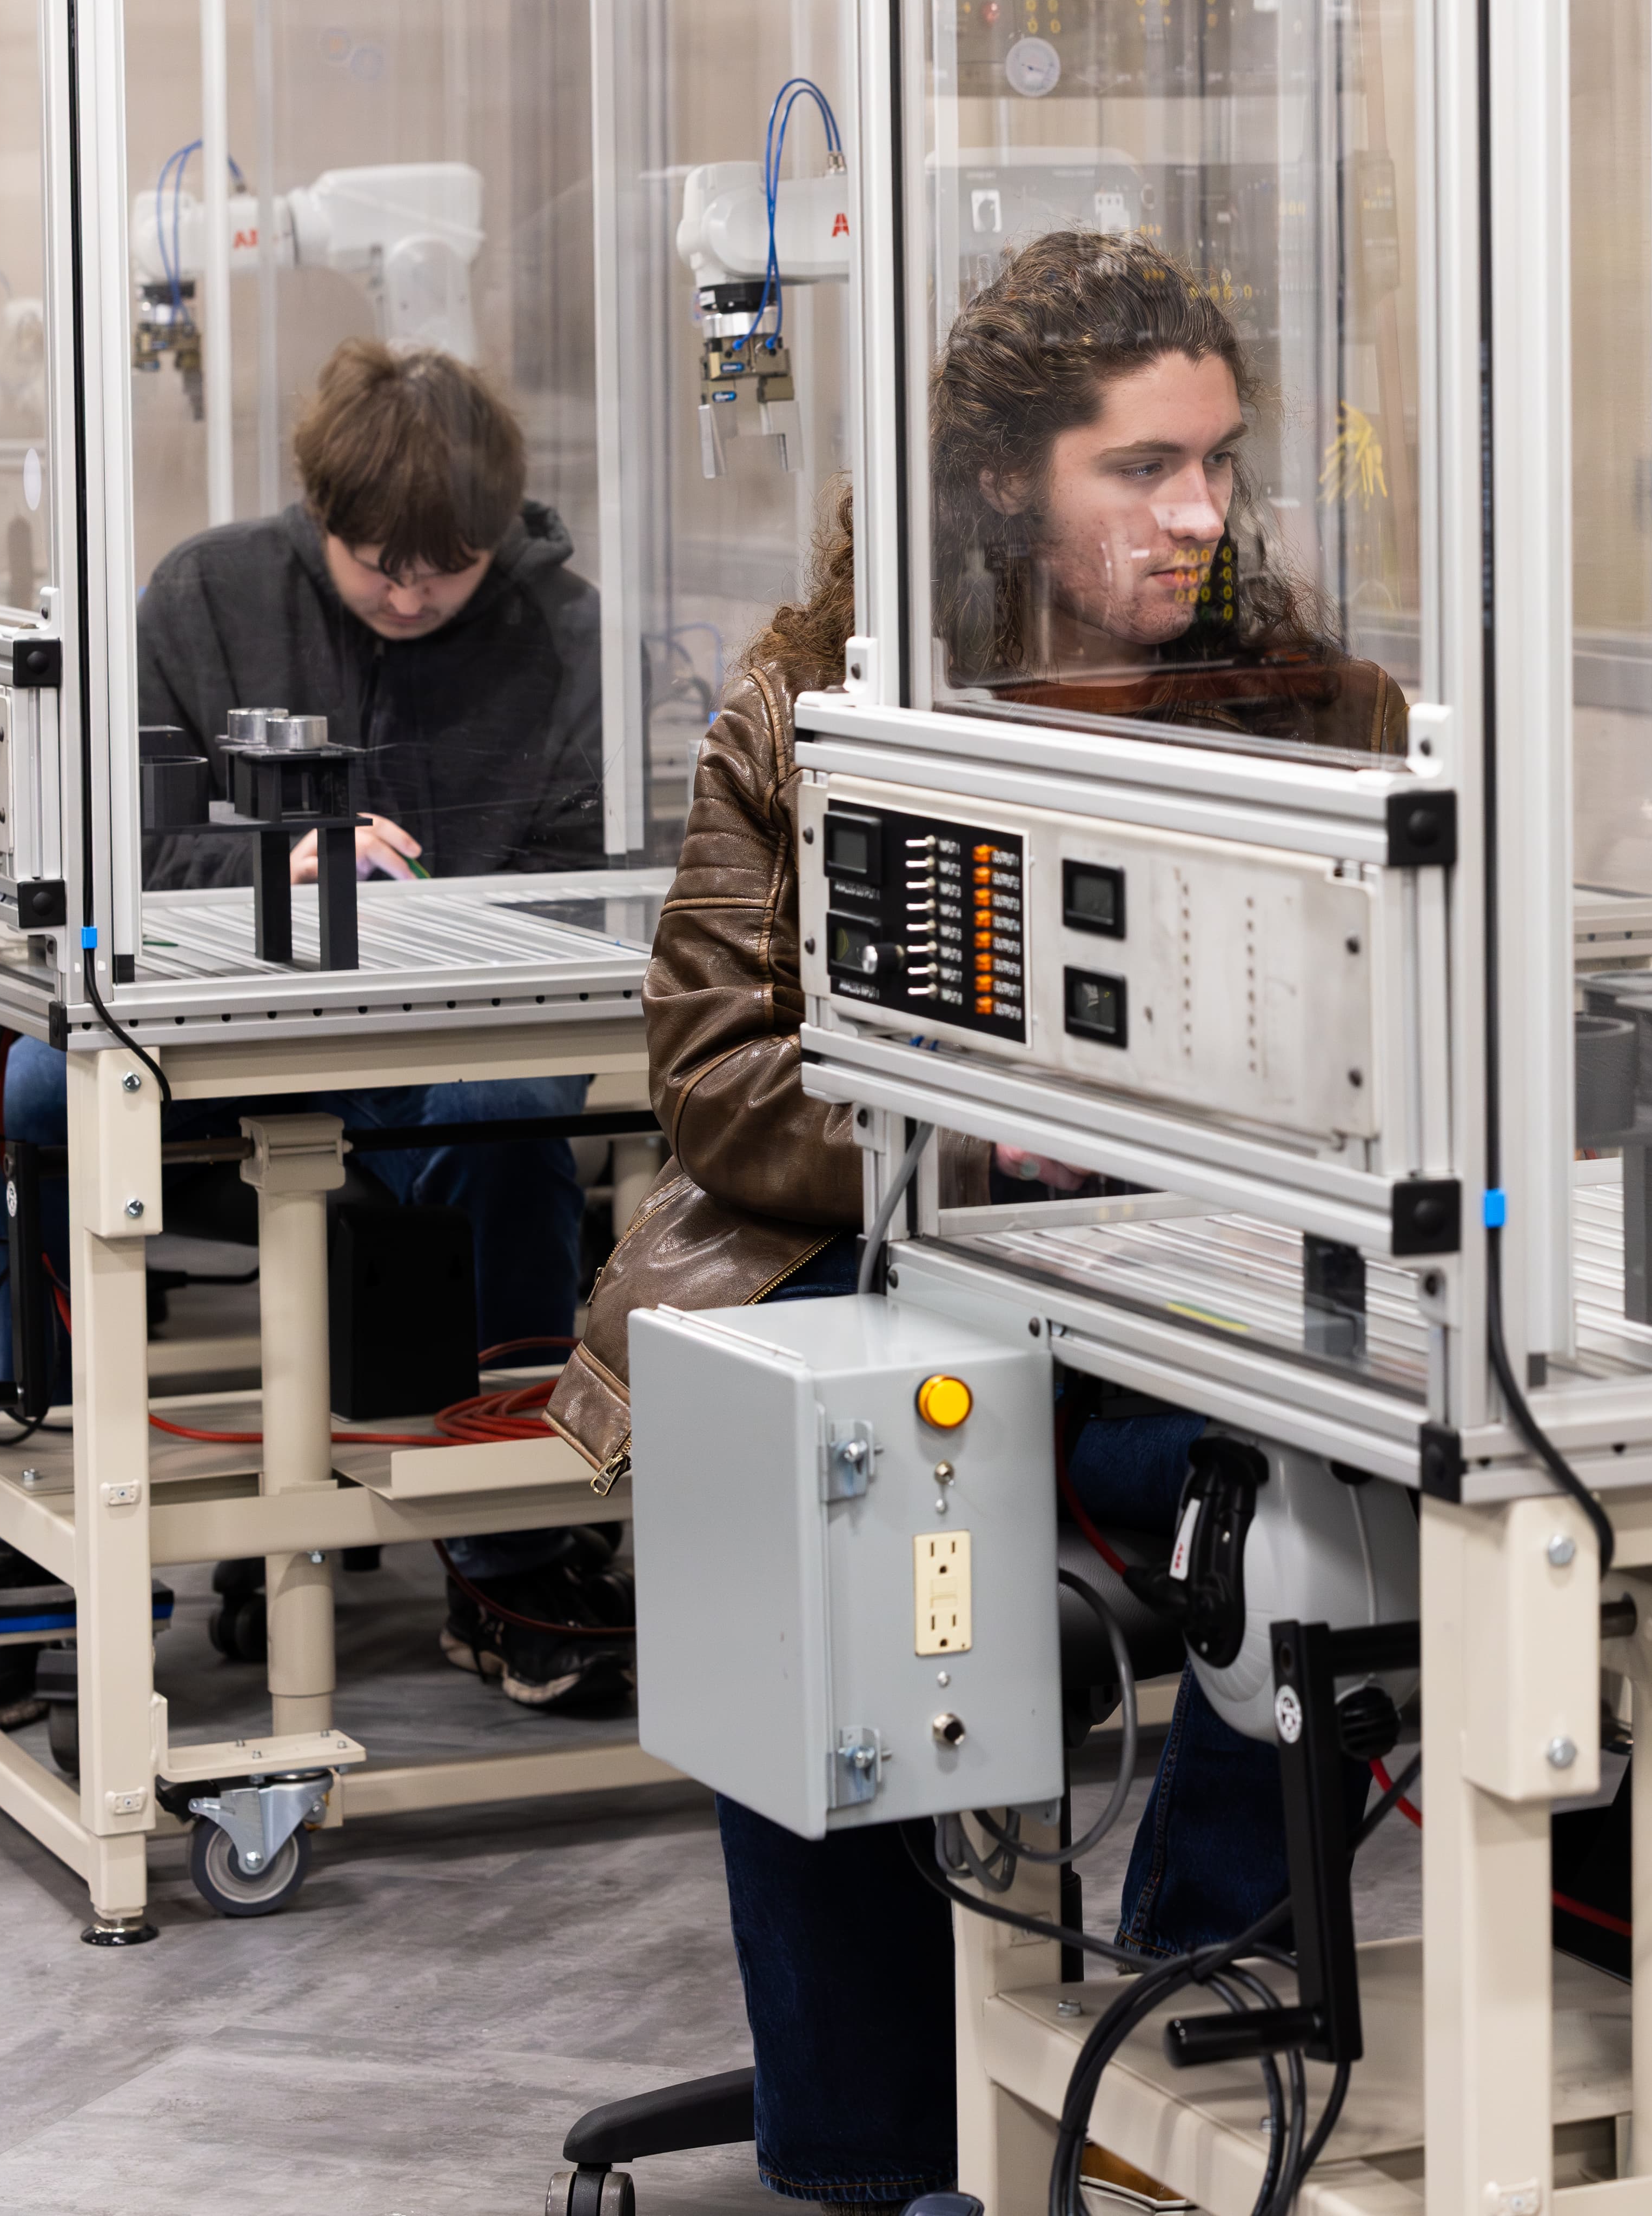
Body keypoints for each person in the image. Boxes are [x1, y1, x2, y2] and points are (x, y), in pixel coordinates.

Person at [546, 232, 1404, 2206]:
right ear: (1010, 472)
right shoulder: (811, 698)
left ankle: (1176, 2018)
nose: (1197, 510)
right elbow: (721, 1080)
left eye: (1217, 461)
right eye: (1142, 466)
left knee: (1343, 1514)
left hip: (1175, 1303)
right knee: (816, 1493)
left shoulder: (1302, 702)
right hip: (873, 1262)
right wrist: (977, 1140)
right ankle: (867, 2149)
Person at [0, 341, 628, 1715]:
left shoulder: (559, 633)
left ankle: (509, 1551)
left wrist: (460, 917)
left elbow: (586, 868)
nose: (406, 592)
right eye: (374, 559)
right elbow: (125, 844)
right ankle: (38, 1526)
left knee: (514, 1123)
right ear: (318, 510)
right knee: (25, 1099)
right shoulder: (206, 595)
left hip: (450, 1037)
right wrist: (279, 861)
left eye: (444, 568)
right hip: (218, 1033)